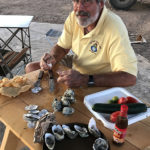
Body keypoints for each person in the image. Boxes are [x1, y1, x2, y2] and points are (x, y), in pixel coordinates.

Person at [25, 0, 137, 88]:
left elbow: (129, 77)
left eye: (86, 1)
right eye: (76, 1)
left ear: (101, 3)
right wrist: (52, 58)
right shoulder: (74, 17)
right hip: (77, 64)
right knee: (32, 68)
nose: (79, 8)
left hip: (98, 78)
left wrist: (85, 79)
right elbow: (62, 47)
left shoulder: (114, 27)